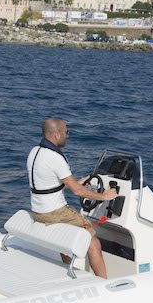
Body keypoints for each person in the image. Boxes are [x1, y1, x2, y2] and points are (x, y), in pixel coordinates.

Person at [27, 117, 118, 278]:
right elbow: (77, 191)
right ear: (56, 134)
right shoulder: (55, 157)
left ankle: (67, 274)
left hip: (38, 211)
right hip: (55, 212)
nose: (67, 135)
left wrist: (77, 183)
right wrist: (104, 196)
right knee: (93, 242)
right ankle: (103, 282)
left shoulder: (35, 152)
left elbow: (47, 184)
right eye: (66, 132)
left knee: (64, 236)